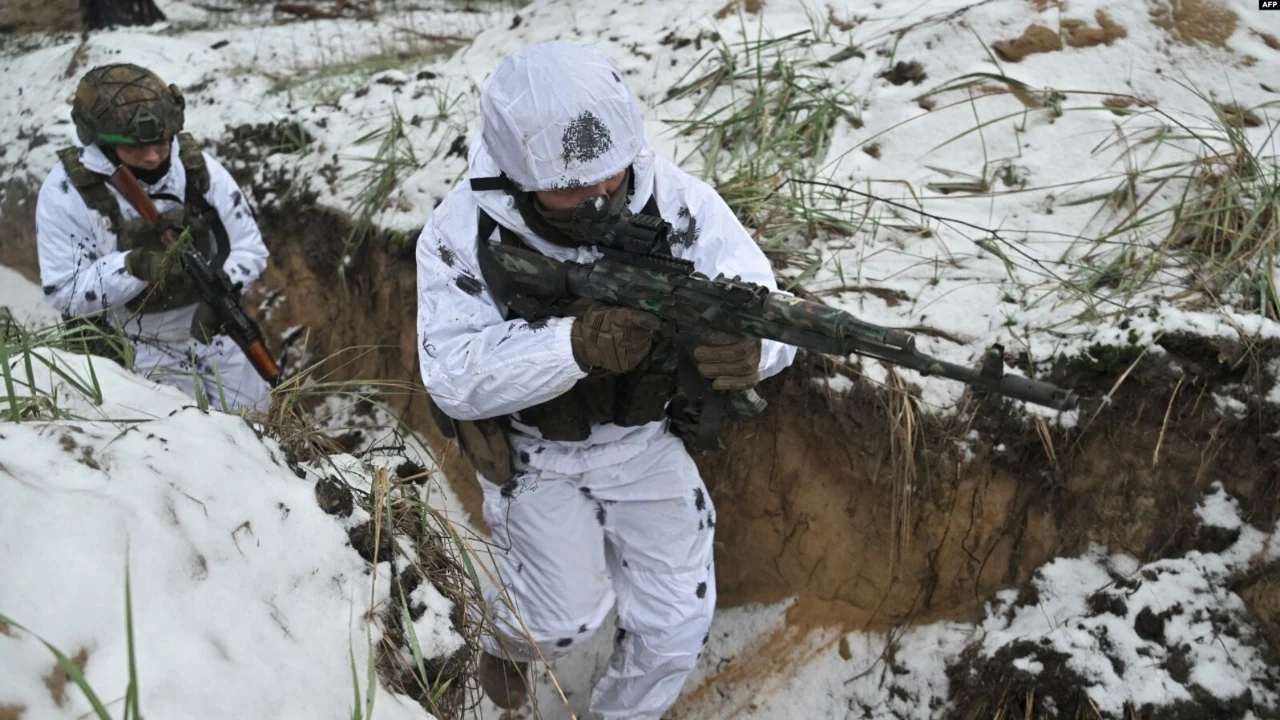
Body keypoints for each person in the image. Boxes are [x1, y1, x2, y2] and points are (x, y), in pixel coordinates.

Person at [415, 41, 797, 719]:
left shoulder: (676, 201)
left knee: (677, 620)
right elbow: (451, 374)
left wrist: (755, 349)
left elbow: (759, 301)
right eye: (569, 189)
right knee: (564, 620)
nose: (596, 200)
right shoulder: (462, 231)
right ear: (518, 171)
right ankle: (506, 641)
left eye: (608, 180)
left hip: (645, 443)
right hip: (536, 455)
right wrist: (574, 345)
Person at [36, 63, 271, 411]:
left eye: (160, 143)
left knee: (262, 427)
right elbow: (64, 290)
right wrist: (132, 268)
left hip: (213, 333)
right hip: (135, 345)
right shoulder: (67, 193)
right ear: (100, 141)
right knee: (184, 446)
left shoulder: (197, 170)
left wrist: (223, 289)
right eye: (134, 148)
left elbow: (249, 247)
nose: (151, 156)